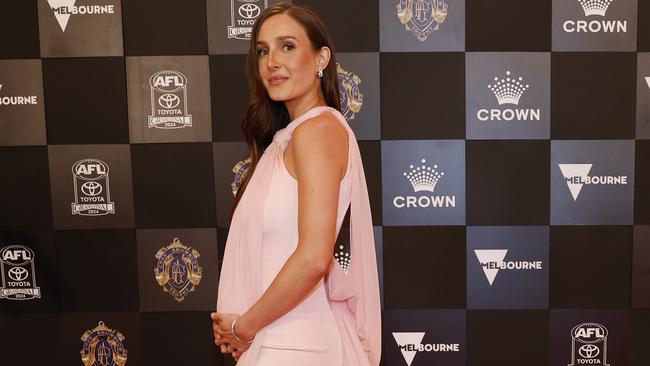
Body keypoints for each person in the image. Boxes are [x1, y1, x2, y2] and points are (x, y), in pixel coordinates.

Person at [211, 3, 381, 365]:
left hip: (295, 347)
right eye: (262, 50)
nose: (272, 61)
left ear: (321, 58)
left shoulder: (317, 132)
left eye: (287, 46)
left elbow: (314, 258)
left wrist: (243, 327)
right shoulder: (289, 138)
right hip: (274, 341)